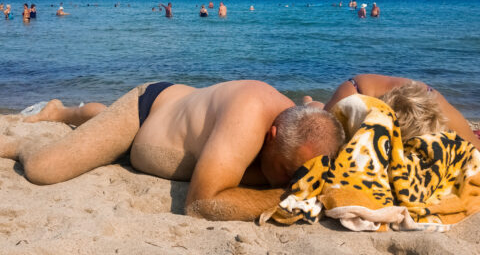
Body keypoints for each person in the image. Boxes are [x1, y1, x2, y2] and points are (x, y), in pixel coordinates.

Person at [0, 80, 345, 221]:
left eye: (303, 174)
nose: (297, 180)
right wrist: (291, 197)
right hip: (148, 109)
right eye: (289, 171)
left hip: (181, 113)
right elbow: (199, 204)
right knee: (44, 169)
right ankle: (27, 140)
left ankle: (65, 113)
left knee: (100, 132)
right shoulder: (248, 117)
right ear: (271, 136)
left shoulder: (303, 128)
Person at [303, 74, 480, 151]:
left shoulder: (439, 107)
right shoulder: (351, 96)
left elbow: (475, 147)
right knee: (320, 117)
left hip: (423, 97)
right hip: (361, 88)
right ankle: (309, 102)